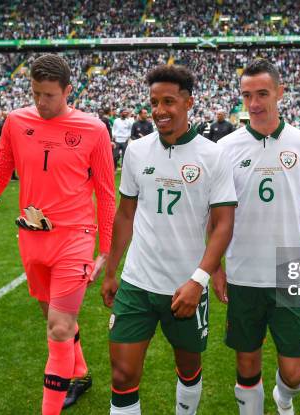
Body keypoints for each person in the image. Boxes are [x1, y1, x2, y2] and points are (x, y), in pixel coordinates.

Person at [0, 54, 116, 415]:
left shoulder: (94, 130)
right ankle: (80, 374)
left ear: (68, 90)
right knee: (56, 320)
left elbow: (105, 191)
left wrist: (106, 251)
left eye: (50, 95)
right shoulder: (16, 121)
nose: (41, 102)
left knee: (57, 328)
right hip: (32, 237)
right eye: (36, 93)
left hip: (76, 238)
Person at [101, 65, 237, 415]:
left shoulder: (213, 155)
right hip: (137, 282)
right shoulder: (136, 151)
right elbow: (126, 214)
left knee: (189, 368)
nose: (159, 110)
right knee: (122, 374)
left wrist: (199, 279)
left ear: (189, 102)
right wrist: (112, 270)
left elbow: (223, 224)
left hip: (186, 285)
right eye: (154, 102)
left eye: (169, 101)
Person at [216, 58, 300, 415]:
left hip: (291, 270)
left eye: (262, 93)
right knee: (247, 364)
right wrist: (215, 267)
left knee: (294, 372)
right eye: (247, 95)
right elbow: (217, 214)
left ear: (280, 93)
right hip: (243, 270)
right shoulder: (226, 148)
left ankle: (284, 398)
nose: (254, 103)